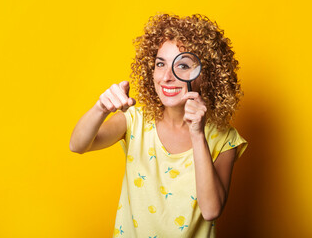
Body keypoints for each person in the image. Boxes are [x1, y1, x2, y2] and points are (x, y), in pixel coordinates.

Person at [70, 13, 248, 238]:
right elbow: (77, 145)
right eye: (160, 64)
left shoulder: (224, 139)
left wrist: (197, 134)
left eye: (182, 65)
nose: (167, 76)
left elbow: (211, 210)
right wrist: (100, 108)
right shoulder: (135, 120)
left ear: (207, 76)